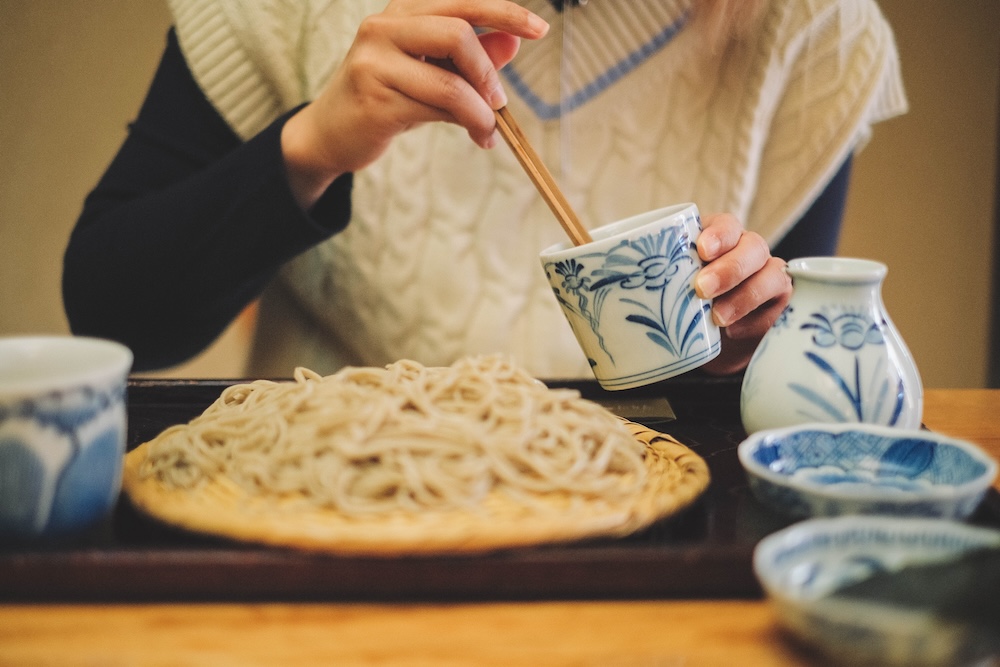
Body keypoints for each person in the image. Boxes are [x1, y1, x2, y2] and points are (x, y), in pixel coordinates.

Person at [63, 0, 906, 379]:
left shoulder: (809, 31)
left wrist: (752, 342)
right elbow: (109, 310)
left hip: (632, 554)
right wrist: (314, 143)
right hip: (317, 531)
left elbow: (787, 388)